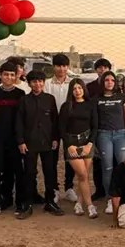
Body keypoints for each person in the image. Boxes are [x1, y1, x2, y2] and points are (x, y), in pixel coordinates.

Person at [15, 70, 63, 219]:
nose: (38, 84)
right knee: (29, 173)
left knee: (50, 172)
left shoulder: (49, 99)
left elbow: (55, 121)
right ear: (29, 84)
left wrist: (55, 138)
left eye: (40, 81)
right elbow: (19, 123)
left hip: (48, 142)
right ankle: (27, 204)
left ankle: (50, 202)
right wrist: (21, 141)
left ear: (44, 82)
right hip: (29, 143)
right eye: (34, 81)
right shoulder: (24, 100)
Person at [0, 62, 25, 216]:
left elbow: (23, 117)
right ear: (0, 75)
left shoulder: (20, 94)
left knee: (17, 170)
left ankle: (19, 203)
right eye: (5, 74)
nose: (9, 77)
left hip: (15, 137)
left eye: (12, 75)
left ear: (17, 76)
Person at [94, 70, 125, 215]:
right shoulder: (97, 99)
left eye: (112, 80)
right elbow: (94, 121)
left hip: (121, 134)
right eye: (106, 80)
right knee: (107, 168)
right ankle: (111, 199)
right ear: (102, 82)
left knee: (124, 165)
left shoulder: (123, 98)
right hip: (104, 135)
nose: (109, 82)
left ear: (115, 83)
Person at [58, 78, 98, 219]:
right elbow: (61, 128)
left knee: (84, 177)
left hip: (87, 142)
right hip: (72, 143)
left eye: (80, 88)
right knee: (82, 175)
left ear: (84, 89)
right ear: (71, 91)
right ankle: (90, 206)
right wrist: (69, 145)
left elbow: (95, 126)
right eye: (74, 89)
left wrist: (90, 144)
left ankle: (79, 204)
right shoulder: (66, 106)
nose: (77, 91)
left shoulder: (90, 105)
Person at [46, 53, 77, 204]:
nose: (61, 69)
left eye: (64, 66)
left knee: (69, 156)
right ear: (53, 67)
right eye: (58, 65)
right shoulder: (46, 84)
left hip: (69, 125)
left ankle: (69, 187)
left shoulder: (73, 84)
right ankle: (54, 189)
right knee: (51, 158)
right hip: (50, 125)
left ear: (68, 67)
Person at [86, 57, 112, 201]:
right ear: (96, 70)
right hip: (96, 127)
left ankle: (112, 190)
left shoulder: (114, 87)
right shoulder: (90, 87)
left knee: (111, 161)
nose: (102, 70)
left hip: (112, 127)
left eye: (105, 67)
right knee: (97, 160)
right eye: (100, 67)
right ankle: (99, 190)